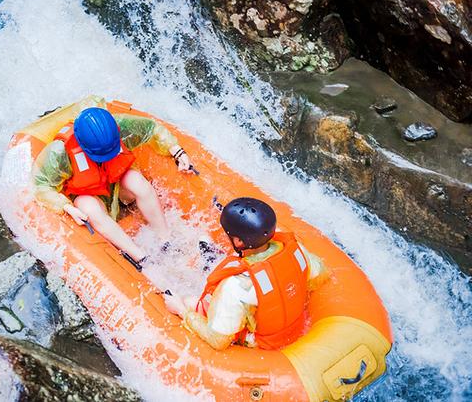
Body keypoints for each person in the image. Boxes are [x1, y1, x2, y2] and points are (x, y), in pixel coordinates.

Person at [32, 107, 193, 264]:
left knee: (135, 180)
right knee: (86, 205)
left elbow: (152, 129)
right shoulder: (59, 152)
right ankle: (142, 258)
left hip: (119, 188)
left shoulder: (120, 126)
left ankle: (166, 240)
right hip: (89, 196)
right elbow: (42, 186)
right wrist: (66, 207)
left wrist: (176, 150)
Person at [164, 197, 328, 350]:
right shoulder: (296, 250)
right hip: (293, 322)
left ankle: (183, 304)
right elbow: (319, 276)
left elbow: (218, 340)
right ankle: (211, 257)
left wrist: (182, 311)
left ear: (238, 242)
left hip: (261, 341)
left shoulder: (236, 286)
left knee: (190, 302)